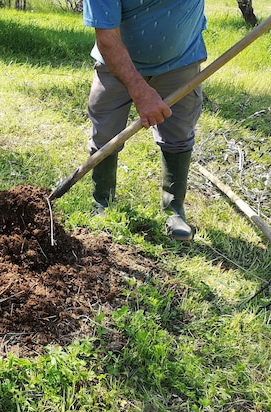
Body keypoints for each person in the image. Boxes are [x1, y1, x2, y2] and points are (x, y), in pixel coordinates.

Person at [83, 0, 207, 240]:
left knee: (179, 133)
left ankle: (174, 209)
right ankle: (102, 202)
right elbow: (107, 38)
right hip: (114, 59)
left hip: (181, 60)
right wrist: (140, 91)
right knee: (105, 132)